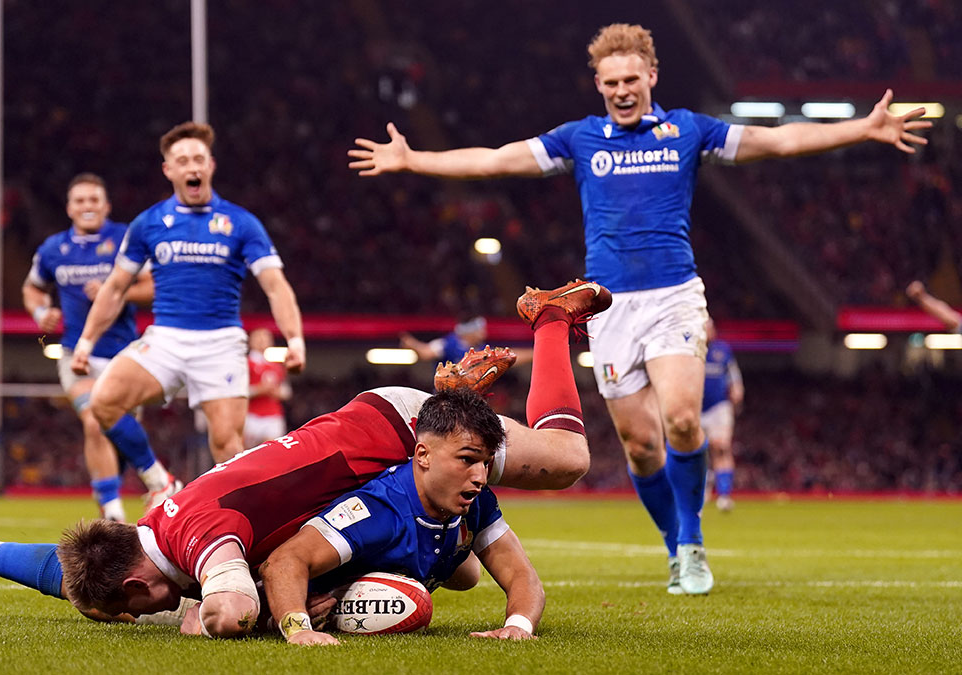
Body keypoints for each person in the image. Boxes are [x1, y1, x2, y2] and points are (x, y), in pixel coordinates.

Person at [349, 23, 930, 595]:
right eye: (610, 83)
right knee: (641, 445)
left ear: (651, 75)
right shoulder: (580, 139)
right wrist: (414, 160)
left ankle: (693, 542)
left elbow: (773, 141)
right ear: (598, 85)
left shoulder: (687, 130)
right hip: (606, 308)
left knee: (680, 417)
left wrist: (862, 127)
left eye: (631, 79)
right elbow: (498, 159)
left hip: (674, 294)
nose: (621, 90)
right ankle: (675, 543)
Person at [0, 282, 607, 638]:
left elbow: (231, 611)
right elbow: (67, 568)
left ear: (142, 581)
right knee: (460, 571)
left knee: (570, 457)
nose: (145, 618)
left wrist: (211, 612)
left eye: (134, 612)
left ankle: (547, 321)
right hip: (368, 441)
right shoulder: (141, 537)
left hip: (397, 431)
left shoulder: (198, 537)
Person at [71, 122, 306, 465]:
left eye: (198, 159)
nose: (192, 167)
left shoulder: (241, 223)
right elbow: (115, 288)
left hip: (221, 344)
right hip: (166, 339)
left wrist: (294, 340)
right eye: (182, 161)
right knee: (103, 402)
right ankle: (157, 480)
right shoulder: (148, 223)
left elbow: (275, 285)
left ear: (210, 165)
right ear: (169, 170)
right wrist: (86, 342)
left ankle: (236, 517)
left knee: (228, 447)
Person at [261, 391, 543, 645]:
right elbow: (283, 560)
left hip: (431, 548)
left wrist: (518, 625)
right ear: (423, 455)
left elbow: (522, 574)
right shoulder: (378, 508)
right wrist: (297, 627)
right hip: (287, 598)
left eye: (486, 462)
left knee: (468, 574)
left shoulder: (477, 500)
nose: (480, 477)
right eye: (467, 460)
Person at [23, 172, 168, 522]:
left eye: (94, 200)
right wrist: (41, 311)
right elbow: (32, 289)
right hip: (77, 354)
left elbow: (153, 288)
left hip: (124, 357)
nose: (87, 206)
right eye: (80, 200)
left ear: (106, 206)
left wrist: (114, 290)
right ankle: (116, 514)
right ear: (69, 208)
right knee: (92, 420)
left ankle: (113, 490)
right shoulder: (53, 249)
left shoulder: (125, 238)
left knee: (118, 441)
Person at [700, 319, 743, 513]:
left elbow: (733, 375)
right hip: (695, 408)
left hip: (719, 406)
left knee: (721, 447)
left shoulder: (722, 351)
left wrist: (736, 390)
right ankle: (705, 482)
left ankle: (724, 494)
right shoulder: (691, 350)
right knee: (698, 452)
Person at [244, 327, 291, 449]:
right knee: (247, 455)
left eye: (265, 338)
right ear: (250, 341)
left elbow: (286, 392)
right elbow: (238, 392)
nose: (262, 341)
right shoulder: (245, 364)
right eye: (258, 337)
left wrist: (276, 392)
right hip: (251, 416)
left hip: (273, 415)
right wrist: (259, 390)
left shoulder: (276, 365)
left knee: (272, 452)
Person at [400, 316, 488, 366]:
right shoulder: (447, 344)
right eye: (480, 330)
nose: (483, 333)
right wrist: (412, 344)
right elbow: (426, 353)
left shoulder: (484, 349)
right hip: (447, 394)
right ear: (471, 332)